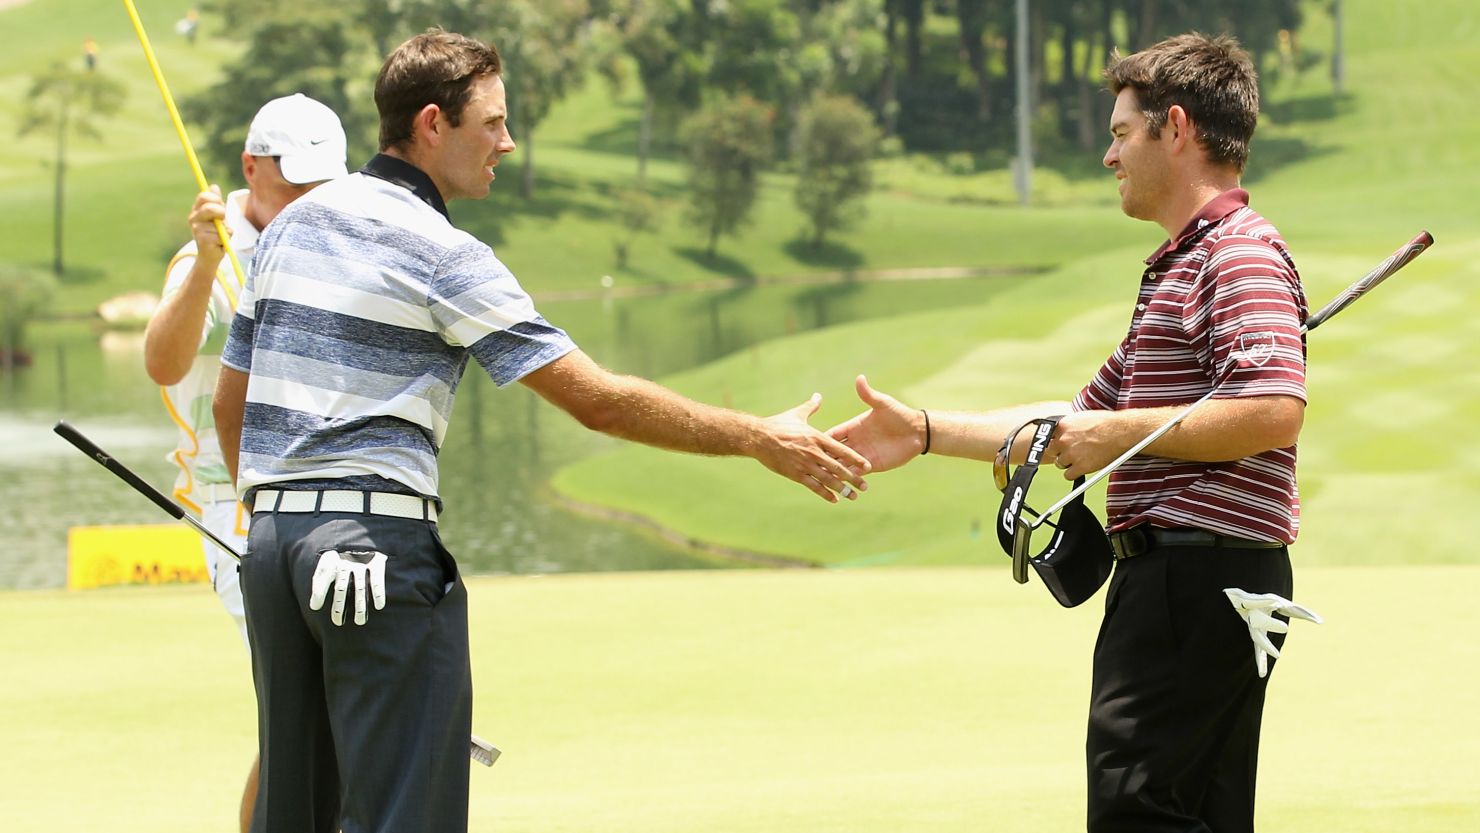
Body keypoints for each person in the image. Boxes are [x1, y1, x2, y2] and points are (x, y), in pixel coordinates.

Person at [212, 29, 870, 833]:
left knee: (294, 816)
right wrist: (755, 435)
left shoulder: (284, 232)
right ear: (431, 124)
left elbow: (228, 407)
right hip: (374, 551)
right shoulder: (441, 251)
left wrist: (284, 523)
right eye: (491, 123)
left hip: (273, 551)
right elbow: (597, 400)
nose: (507, 142)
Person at [830, 33, 1309, 833]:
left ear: (1176, 128)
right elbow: (1071, 424)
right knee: (1194, 812)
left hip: (1194, 581)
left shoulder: (1238, 256)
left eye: (1122, 132)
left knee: (1137, 810)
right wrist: (922, 430)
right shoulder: (1181, 268)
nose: (1108, 154)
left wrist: (1120, 435)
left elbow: (1271, 409)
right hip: (1187, 582)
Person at [142, 92, 348, 833]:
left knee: (323, 700)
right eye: (292, 183)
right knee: (303, 704)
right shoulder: (213, 253)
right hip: (233, 511)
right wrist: (202, 260)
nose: (307, 199)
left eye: (321, 183)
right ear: (250, 168)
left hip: (317, 501)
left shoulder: (328, 241)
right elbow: (163, 363)